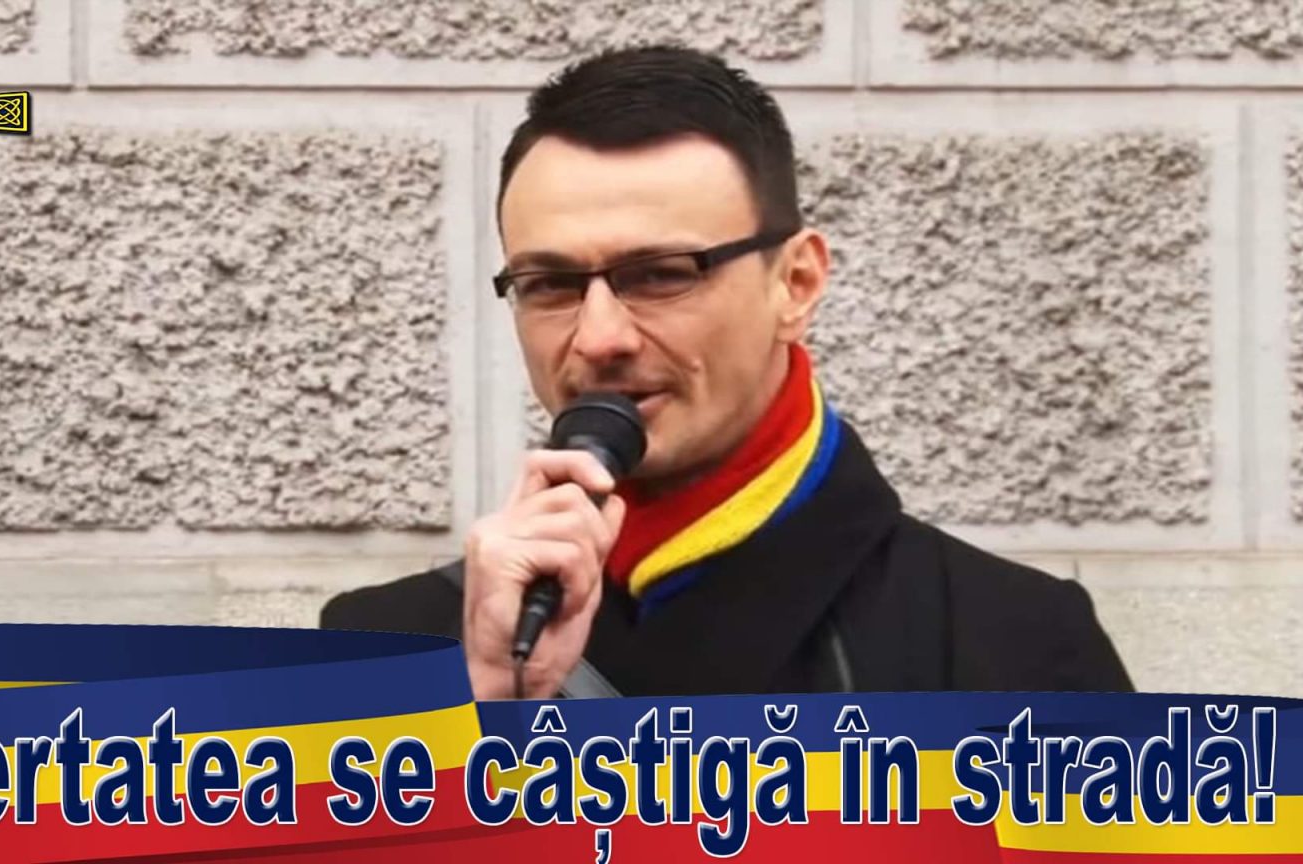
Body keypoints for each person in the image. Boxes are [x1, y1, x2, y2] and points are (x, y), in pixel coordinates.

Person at [321, 45, 1132, 700]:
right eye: (551, 284)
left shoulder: (1014, 649)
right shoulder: (391, 649)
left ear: (796, 284)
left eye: (662, 274)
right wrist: (480, 715)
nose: (599, 337)